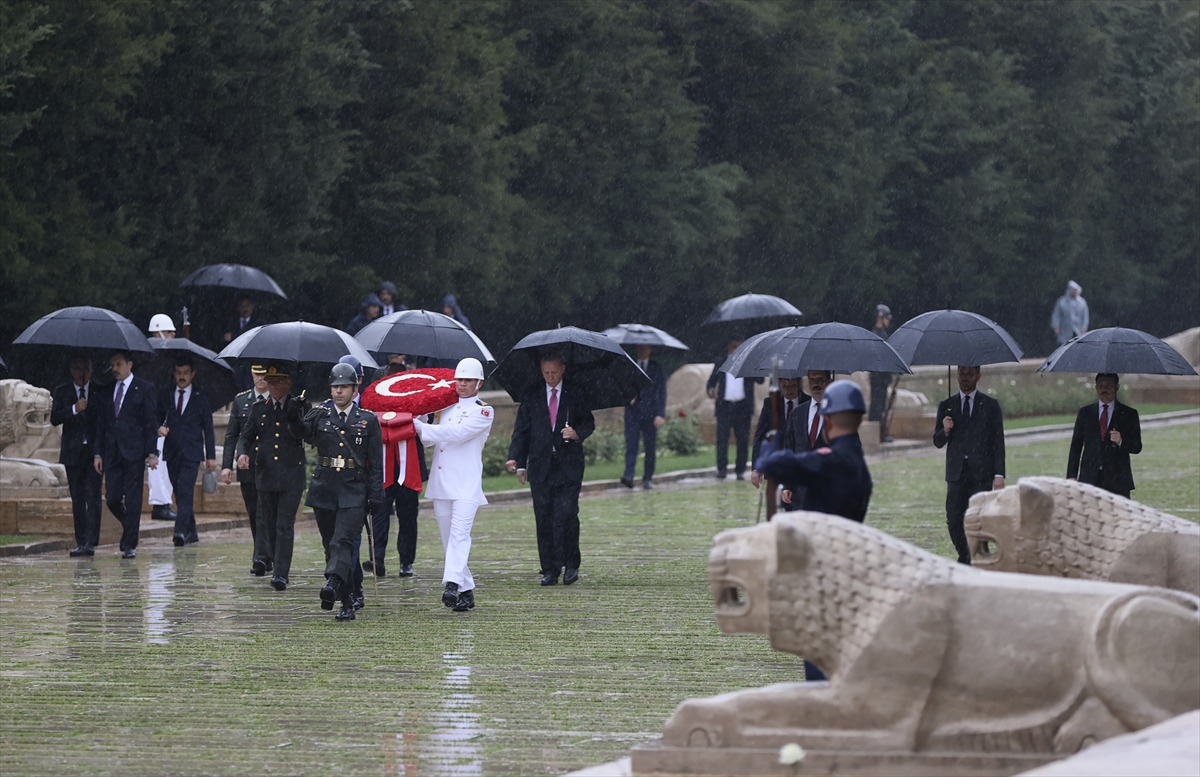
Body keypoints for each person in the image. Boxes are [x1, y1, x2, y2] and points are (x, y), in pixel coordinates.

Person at [757, 379, 873, 682]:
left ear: (828, 419)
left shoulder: (831, 462)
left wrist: (772, 442)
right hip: (845, 572)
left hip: (821, 576)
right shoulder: (859, 467)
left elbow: (776, 463)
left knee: (818, 666)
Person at [290, 363, 383, 621]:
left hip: (354, 490)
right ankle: (347, 601)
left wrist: (376, 495)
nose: (338, 391)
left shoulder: (368, 420)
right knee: (331, 546)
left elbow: (376, 463)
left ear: (355, 389)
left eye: (344, 387)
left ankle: (332, 583)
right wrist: (294, 414)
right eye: (335, 387)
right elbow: (299, 433)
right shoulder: (320, 415)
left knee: (342, 541)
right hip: (325, 488)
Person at [505, 353, 596, 586]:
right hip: (540, 465)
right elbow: (521, 431)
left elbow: (588, 422)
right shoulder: (533, 394)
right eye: (546, 373)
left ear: (563, 369)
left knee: (565, 515)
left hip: (568, 466)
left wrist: (577, 433)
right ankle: (550, 568)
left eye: (554, 372)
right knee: (543, 517)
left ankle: (571, 563)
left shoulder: (576, 391)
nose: (550, 377)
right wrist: (517, 460)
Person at [412, 358, 492, 611]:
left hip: (466, 484)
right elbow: (428, 441)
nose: (463, 384)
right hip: (442, 482)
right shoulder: (444, 408)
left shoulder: (484, 411)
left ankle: (451, 585)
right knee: (449, 540)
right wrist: (420, 415)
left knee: (459, 536)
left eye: (468, 380)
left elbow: (456, 433)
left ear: (479, 383)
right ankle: (467, 591)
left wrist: (420, 427)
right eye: (460, 380)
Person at [236, 363, 308, 591]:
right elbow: (245, 436)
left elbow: (303, 433)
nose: (274, 386)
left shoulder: (299, 405)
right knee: (269, 524)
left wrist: (295, 414)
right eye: (270, 381)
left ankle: (280, 573)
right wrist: (242, 454)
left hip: (291, 476)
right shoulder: (259, 409)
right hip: (266, 476)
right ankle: (277, 563)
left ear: (287, 383)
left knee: (284, 525)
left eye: (278, 382)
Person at [933, 366, 1006, 565]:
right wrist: (945, 430)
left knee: (978, 518)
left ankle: (975, 556)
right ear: (956, 375)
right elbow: (937, 441)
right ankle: (966, 555)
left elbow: (997, 441)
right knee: (954, 518)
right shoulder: (947, 405)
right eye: (961, 374)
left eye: (969, 374)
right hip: (956, 472)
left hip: (981, 472)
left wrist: (999, 474)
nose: (965, 379)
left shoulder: (990, 406)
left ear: (978, 376)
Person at [93, 350, 159, 559]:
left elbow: (150, 422)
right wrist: (97, 453)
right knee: (112, 498)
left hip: (134, 452)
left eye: (119, 364)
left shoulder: (144, 388)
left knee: (133, 499)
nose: (115, 369)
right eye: (113, 365)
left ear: (129, 364)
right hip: (112, 452)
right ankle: (130, 527)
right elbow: (101, 425)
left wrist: (152, 452)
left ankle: (130, 544)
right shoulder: (107, 391)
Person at [365, 353, 427, 578]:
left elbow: (424, 424)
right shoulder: (374, 400)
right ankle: (377, 558)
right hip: (382, 463)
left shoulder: (416, 398)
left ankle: (406, 561)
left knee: (408, 515)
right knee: (379, 511)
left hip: (408, 464)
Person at [157, 356, 217, 546]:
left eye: (185, 373)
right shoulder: (166, 395)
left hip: (192, 452)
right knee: (178, 491)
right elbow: (157, 418)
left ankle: (180, 531)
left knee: (185, 491)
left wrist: (211, 456)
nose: (181, 377)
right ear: (174, 374)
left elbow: (208, 427)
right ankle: (192, 532)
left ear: (192, 374)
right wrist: (159, 428)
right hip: (172, 450)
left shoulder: (201, 397)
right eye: (178, 373)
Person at [221, 365, 271, 575]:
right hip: (247, 466)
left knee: (263, 512)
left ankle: (260, 557)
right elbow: (232, 435)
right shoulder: (242, 401)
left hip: (269, 466)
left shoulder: (277, 401)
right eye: (257, 374)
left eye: (264, 374)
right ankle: (265, 554)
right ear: (251, 374)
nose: (260, 378)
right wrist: (226, 465)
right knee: (253, 512)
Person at [51, 355, 102, 556]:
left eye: (86, 369)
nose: (83, 373)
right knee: (78, 498)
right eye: (79, 369)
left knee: (94, 498)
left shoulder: (98, 391)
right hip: (73, 454)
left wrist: (99, 451)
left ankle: (91, 541)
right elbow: (55, 418)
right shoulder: (62, 391)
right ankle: (80, 541)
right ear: (72, 370)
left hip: (93, 454)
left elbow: (102, 423)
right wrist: (74, 409)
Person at [1067, 373, 1142, 498]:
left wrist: (1121, 441)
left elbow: (1137, 447)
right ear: (1096, 387)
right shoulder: (1085, 413)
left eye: (1109, 386)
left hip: (1118, 480)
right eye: (1101, 385)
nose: (1104, 389)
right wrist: (1071, 476)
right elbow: (1076, 446)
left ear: (1117, 387)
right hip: (1090, 478)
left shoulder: (1129, 414)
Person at [706, 338, 760, 480]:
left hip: (743, 407)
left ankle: (740, 470)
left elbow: (760, 379)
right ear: (729, 347)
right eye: (733, 346)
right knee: (722, 439)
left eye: (738, 346)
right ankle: (722, 469)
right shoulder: (721, 361)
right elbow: (712, 380)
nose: (735, 349)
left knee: (742, 440)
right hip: (725, 406)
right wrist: (710, 389)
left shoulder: (748, 362)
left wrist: (751, 364)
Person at [780, 370, 833, 508]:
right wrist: (787, 485)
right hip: (800, 493)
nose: (816, 384)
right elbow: (789, 450)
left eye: (820, 379)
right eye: (812, 379)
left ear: (829, 381)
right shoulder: (797, 413)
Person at [620, 345, 667, 489]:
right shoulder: (629, 366)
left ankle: (647, 478)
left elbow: (662, 392)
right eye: (640, 348)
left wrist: (660, 414)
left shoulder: (656, 368)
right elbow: (621, 386)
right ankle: (629, 475)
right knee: (632, 445)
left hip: (650, 414)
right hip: (633, 413)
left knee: (650, 447)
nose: (642, 351)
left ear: (650, 350)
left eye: (645, 348)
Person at [749, 376, 805, 490]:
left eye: (793, 386)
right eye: (785, 386)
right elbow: (759, 436)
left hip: (800, 465)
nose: (789, 391)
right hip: (775, 464)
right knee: (776, 503)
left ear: (800, 383)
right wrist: (756, 468)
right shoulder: (770, 403)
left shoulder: (808, 402)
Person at [147, 314, 178, 522]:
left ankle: (164, 502)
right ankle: (159, 504)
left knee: (165, 466)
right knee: (156, 466)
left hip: (165, 422)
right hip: (154, 423)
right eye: (168, 332)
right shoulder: (151, 362)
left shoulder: (167, 360)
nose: (172, 335)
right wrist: (156, 425)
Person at [224, 297, 264, 392]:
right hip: (234, 361)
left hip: (251, 362)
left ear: (252, 306)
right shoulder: (230, 322)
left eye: (248, 305)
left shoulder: (259, 322)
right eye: (242, 306)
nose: (245, 308)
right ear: (238, 307)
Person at [869, 304, 893, 426]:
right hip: (878, 377)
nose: (888, 321)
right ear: (881, 318)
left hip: (881, 378)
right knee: (877, 405)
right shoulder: (877, 336)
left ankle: (879, 431)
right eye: (886, 318)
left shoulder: (881, 334)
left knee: (880, 405)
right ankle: (876, 431)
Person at [1051, 281, 1089, 346]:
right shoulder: (1062, 302)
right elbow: (1056, 315)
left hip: (1078, 329)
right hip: (1065, 329)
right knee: (1065, 345)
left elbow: (1085, 316)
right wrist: (1056, 326)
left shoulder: (1082, 302)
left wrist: (1084, 328)